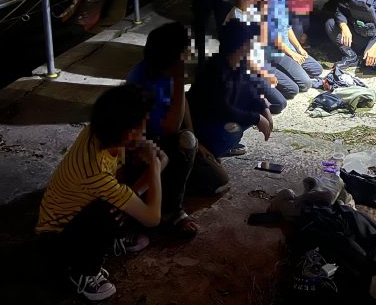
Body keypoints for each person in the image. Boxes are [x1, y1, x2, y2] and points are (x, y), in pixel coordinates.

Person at [36, 84, 167, 302]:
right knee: (109, 211)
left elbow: (157, 159)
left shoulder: (101, 132)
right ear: (128, 132)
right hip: (57, 238)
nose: (146, 126)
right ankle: (82, 272)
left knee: (120, 200)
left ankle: (109, 237)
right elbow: (153, 218)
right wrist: (153, 166)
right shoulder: (94, 170)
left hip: (78, 213)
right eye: (143, 122)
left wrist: (132, 194)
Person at [125, 22, 200, 237]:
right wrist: (179, 80)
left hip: (163, 140)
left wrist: (197, 142)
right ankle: (170, 210)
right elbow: (170, 128)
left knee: (217, 181)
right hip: (145, 150)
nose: (190, 54)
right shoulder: (142, 81)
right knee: (186, 143)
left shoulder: (166, 69)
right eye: (186, 50)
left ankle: (174, 183)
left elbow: (181, 105)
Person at [187, 19, 274, 159]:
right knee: (233, 132)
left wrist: (263, 107)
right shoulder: (215, 71)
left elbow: (249, 89)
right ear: (242, 45)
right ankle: (212, 147)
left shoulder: (237, 64)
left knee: (256, 108)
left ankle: (222, 142)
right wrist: (257, 118)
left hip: (220, 115)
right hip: (204, 122)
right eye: (250, 42)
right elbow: (222, 109)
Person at [224, 0, 286, 115]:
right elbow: (244, 59)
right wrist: (265, 74)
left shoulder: (251, 10)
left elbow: (263, 40)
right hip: (247, 71)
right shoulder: (235, 20)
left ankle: (258, 94)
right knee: (280, 103)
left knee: (293, 89)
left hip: (261, 62)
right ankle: (251, 103)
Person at [266, 0, 324, 95]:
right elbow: (275, 39)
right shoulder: (267, 5)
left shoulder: (282, 0)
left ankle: (293, 69)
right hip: (278, 53)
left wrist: (299, 48)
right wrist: (293, 55)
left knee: (317, 70)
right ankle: (280, 71)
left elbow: (287, 28)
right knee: (305, 84)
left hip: (289, 49)